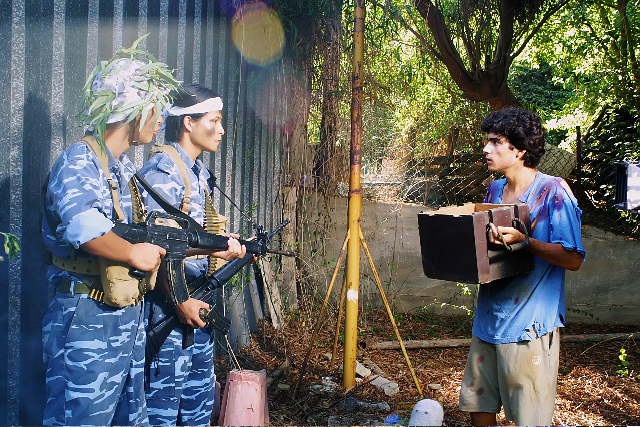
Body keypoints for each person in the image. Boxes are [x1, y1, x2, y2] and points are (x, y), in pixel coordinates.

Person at [41, 38, 180, 426]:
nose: (158, 119)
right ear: (135, 110)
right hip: (84, 318)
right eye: (154, 109)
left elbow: (127, 227)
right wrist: (134, 253)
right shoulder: (79, 160)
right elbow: (81, 226)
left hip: (121, 318)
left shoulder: (121, 171)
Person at [458, 107, 586, 426]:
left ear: (520, 150)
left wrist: (526, 241)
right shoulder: (495, 190)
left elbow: (574, 259)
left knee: (529, 419)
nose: (486, 149)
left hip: (529, 327)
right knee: (480, 404)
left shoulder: (554, 192)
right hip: (488, 320)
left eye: (495, 142)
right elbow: (492, 253)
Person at [139, 83, 246, 426]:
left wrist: (224, 248)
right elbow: (159, 245)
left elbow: (185, 242)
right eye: (213, 121)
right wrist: (179, 300)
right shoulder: (165, 171)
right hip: (169, 310)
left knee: (198, 408)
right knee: (162, 411)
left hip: (195, 304)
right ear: (188, 123)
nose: (221, 129)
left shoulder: (198, 174)